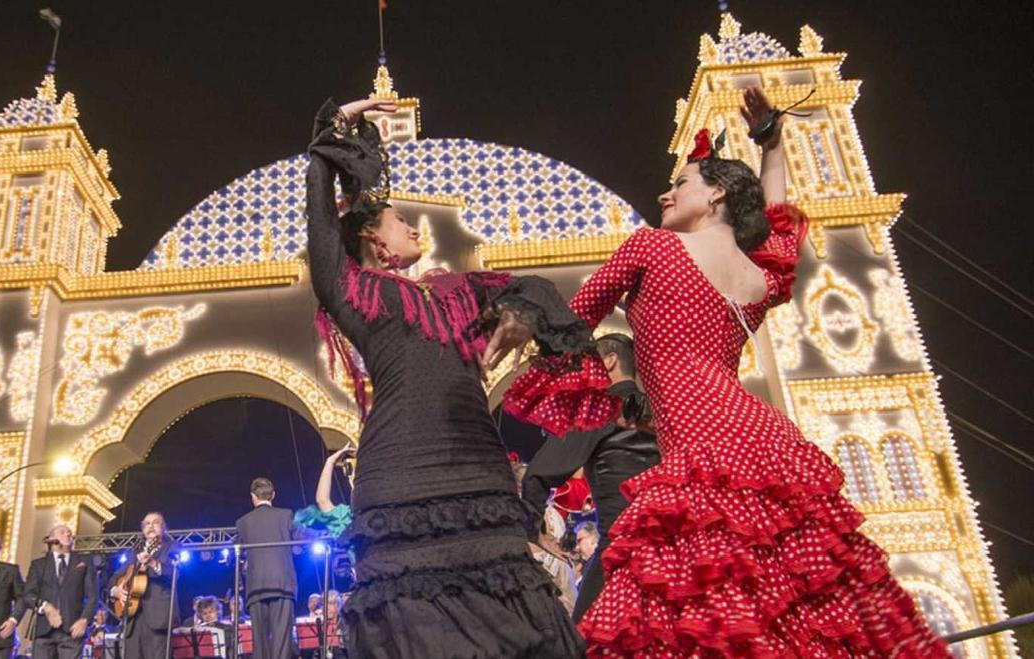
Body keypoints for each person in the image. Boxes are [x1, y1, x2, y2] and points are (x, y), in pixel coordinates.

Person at [505, 86, 952, 656]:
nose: (666, 193)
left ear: (715, 193)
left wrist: (510, 325)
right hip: (764, 445)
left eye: (681, 183)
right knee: (787, 605)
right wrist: (772, 145)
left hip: (703, 458)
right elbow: (775, 231)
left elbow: (573, 321)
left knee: (698, 616)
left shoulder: (652, 248)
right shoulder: (757, 279)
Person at [305, 95, 589, 658]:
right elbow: (319, 220)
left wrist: (518, 315)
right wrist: (336, 132)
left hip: (476, 464)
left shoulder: (456, 290)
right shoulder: (355, 293)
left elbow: (533, 288)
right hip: (400, 473)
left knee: (511, 599)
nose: (414, 227)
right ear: (372, 239)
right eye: (400, 220)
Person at [521, 332, 662, 622]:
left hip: (623, 552)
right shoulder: (663, 409)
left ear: (609, 361)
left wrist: (534, 528)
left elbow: (538, 474)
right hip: (675, 547)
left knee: (588, 636)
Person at [234, 478, 297, 659]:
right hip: (282, 584)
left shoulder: (242, 522)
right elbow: (302, 535)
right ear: (273, 495)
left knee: (259, 644)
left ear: (253, 497)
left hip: (256, 587)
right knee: (282, 642)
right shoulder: (286, 515)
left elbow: (237, 550)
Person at [109, 512, 178, 659]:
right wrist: (116, 591)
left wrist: (152, 562)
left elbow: (174, 573)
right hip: (132, 618)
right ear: (142, 530)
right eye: (147, 524)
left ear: (164, 528)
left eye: (156, 523)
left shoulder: (172, 546)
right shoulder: (133, 551)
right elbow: (115, 577)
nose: (151, 526)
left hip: (157, 618)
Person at [24, 524, 97, 659]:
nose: (68, 534)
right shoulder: (39, 564)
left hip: (72, 630)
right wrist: (46, 607)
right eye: (63, 532)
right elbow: (28, 595)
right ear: (52, 539)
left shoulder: (84, 561)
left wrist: (84, 620)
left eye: (70, 533)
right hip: (44, 631)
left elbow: (93, 596)